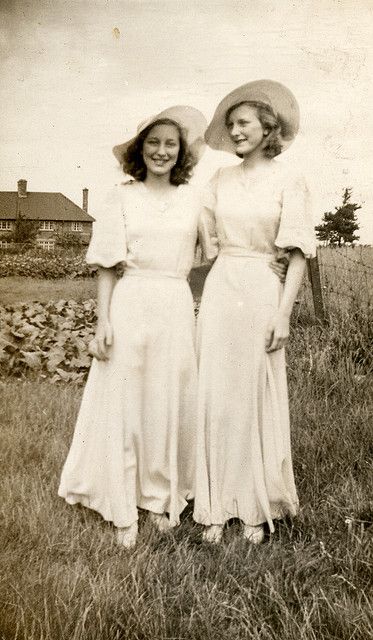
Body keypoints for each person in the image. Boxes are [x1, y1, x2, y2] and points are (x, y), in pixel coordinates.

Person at [58, 105, 208, 549]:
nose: (161, 151)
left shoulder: (194, 199)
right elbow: (106, 265)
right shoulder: (121, 196)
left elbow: (221, 246)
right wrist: (103, 320)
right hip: (131, 301)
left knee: (167, 398)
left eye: (170, 144)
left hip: (176, 304)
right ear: (140, 149)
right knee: (126, 399)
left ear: (180, 152)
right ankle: (122, 505)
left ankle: (161, 496)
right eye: (153, 142)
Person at [194, 80, 316, 544]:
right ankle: (213, 506)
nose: (236, 131)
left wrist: (284, 313)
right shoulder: (219, 180)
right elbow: (200, 239)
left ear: (269, 128)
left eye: (243, 123)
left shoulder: (290, 180)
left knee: (253, 392)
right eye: (231, 125)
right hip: (224, 286)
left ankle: (253, 505)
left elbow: (299, 252)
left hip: (263, 288)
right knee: (217, 392)